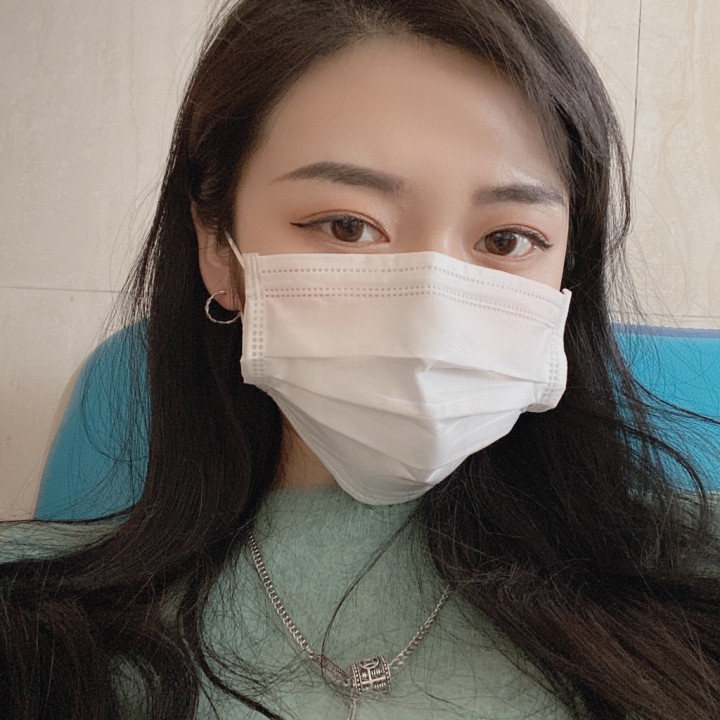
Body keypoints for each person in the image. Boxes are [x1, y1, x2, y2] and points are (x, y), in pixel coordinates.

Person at [1, 0, 719, 718]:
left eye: (507, 240)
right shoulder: (36, 625)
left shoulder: (689, 580)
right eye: (347, 226)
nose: (431, 308)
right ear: (219, 247)